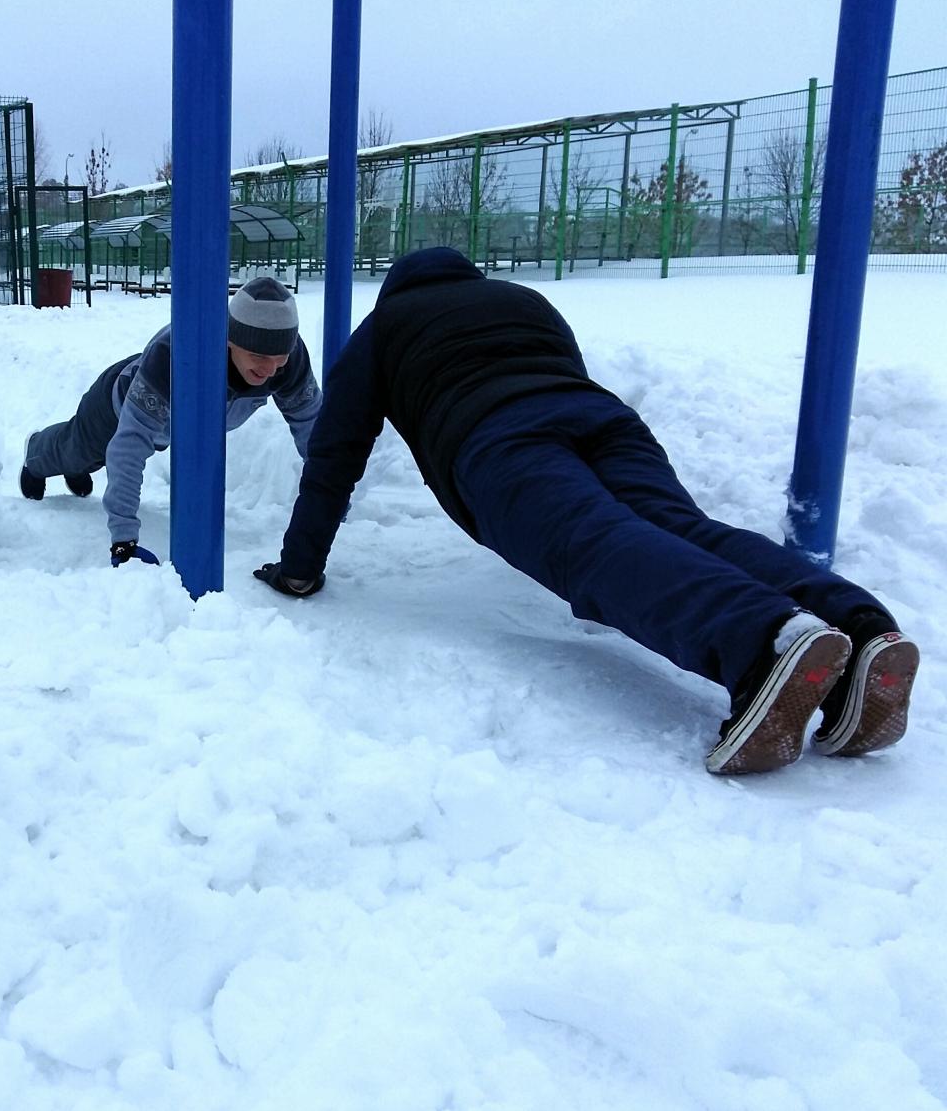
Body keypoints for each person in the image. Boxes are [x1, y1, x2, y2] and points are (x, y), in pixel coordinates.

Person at [253, 247, 918, 776]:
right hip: (606, 422)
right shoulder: (522, 299)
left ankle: (761, 642)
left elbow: (334, 457)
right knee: (682, 528)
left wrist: (300, 567)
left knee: (593, 543)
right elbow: (564, 370)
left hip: (498, 440)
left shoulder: (384, 328)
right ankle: (857, 628)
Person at [20, 276, 322, 567]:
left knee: (87, 460)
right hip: (116, 406)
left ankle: (79, 466)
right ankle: (36, 454)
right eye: (258, 355)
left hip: (166, 426)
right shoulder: (175, 355)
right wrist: (124, 538)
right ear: (230, 340)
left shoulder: (290, 362)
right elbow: (128, 448)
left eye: (280, 357)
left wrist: (330, 502)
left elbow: (315, 432)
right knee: (77, 450)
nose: (271, 369)